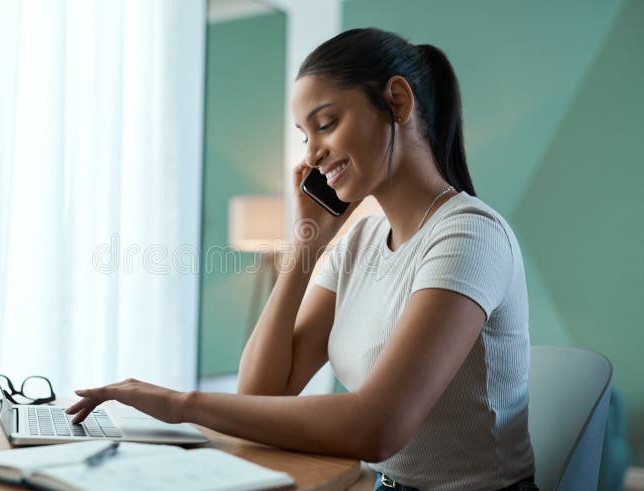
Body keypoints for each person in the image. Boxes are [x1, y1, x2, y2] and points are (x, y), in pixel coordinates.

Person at [67, 28, 538, 491]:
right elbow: (261, 395)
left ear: (397, 101)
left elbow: (378, 426)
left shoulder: (469, 235)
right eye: (304, 135)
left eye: (326, 124)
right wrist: (306, 248)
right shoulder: (361, 241)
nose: (312, 154)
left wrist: (181, 404)